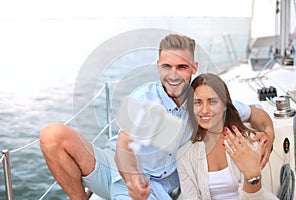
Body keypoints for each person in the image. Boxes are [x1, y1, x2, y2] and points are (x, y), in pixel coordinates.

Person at [40, 34, 274, 200]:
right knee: (52, 136)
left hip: (153, 189)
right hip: (112, 168)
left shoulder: (202, 103)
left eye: (181, 67)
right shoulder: (143, 98)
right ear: (158, 66)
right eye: (166, 66)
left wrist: (269, 135)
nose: (173, 75)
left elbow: (257, 115)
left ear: (194, 67)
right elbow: (124, 145)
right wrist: (131, 180)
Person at [176, 73, 278, 199]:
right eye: (198, 102)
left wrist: (252, 177)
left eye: (212, 102)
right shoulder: (184, 156)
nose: (204, 110)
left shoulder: (250, 141)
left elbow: (258, 195)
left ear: (224, 105)